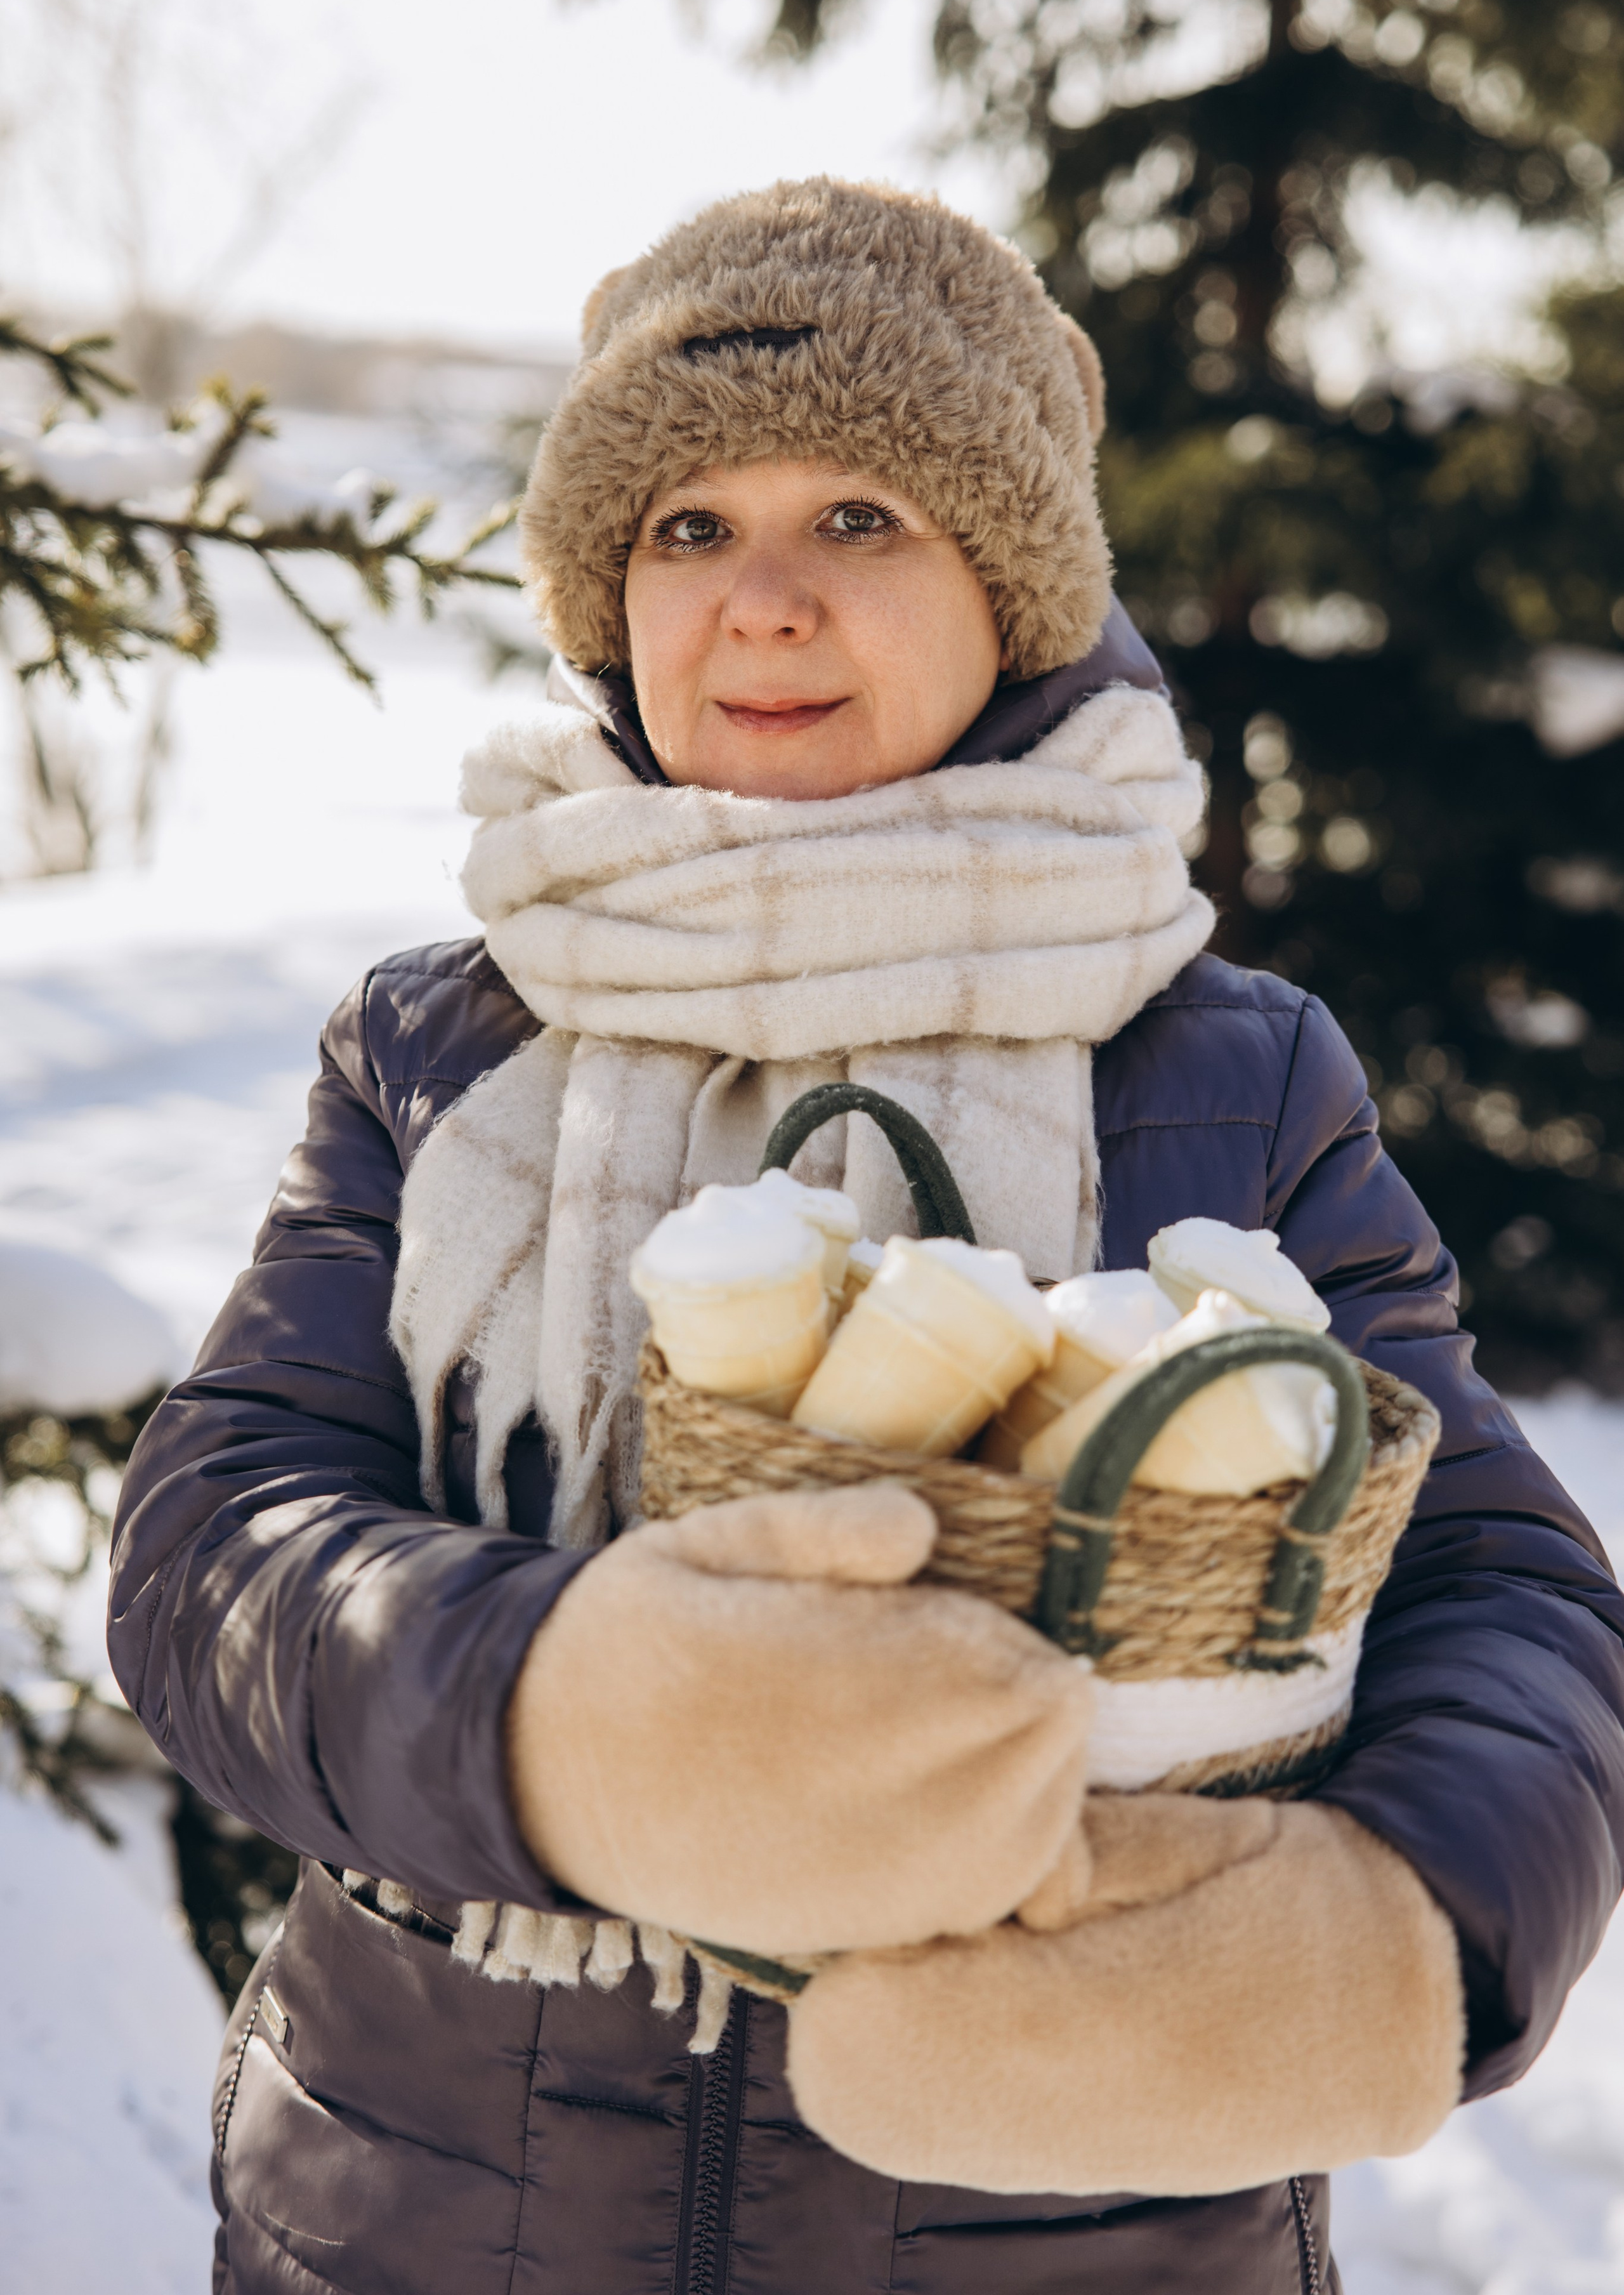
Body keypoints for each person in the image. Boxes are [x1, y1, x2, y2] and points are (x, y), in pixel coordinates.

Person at [110, 178, 1624, 2295]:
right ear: (603, 595)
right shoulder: (441, 1046)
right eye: (687, 530)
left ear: (1009, 587)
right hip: (440, 2221)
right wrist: (552, 1717)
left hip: (1069, 2228)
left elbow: (1500, 1578)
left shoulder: (1219, 1072)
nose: (763, 604)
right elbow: (215, 1544)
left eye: (862, 521)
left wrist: (1390, 1930)